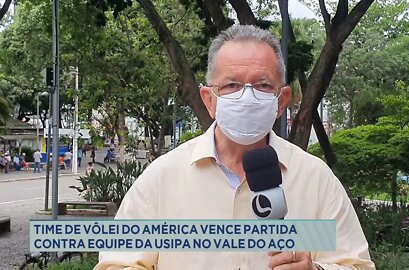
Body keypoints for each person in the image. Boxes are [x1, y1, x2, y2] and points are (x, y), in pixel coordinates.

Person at [96, 25, 375, 270]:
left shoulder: (316, 180)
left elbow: (357, 265)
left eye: (263, 85)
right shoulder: (161, 179)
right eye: (231, 85)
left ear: (281, 100)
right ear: (209, 99)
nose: (247, 96)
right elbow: (118, 264)